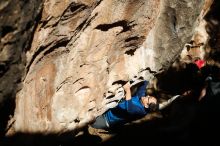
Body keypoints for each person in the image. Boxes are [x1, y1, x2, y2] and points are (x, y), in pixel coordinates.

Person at [91, 80, 158, 130]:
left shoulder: (140, 111)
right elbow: (142, 89)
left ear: (147, 105)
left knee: (88, 123)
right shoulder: (141, 98)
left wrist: (127, 89)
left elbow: (129, 108)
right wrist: (146, 79)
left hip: (106, 121)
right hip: (106, 110)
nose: (148, 95)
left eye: (149, 98)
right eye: (150, 96)